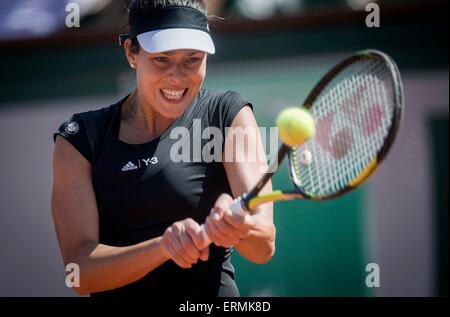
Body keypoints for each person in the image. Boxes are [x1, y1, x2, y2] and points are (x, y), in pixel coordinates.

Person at [51, 0, 275, 297]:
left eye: (193, 59)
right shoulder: (79, 139)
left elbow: (263, 247)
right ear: (132, 52)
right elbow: (78, 274)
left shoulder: (229, 115)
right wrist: (164, 247)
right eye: (162, 59)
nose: (177, 76)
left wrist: (240, 227)